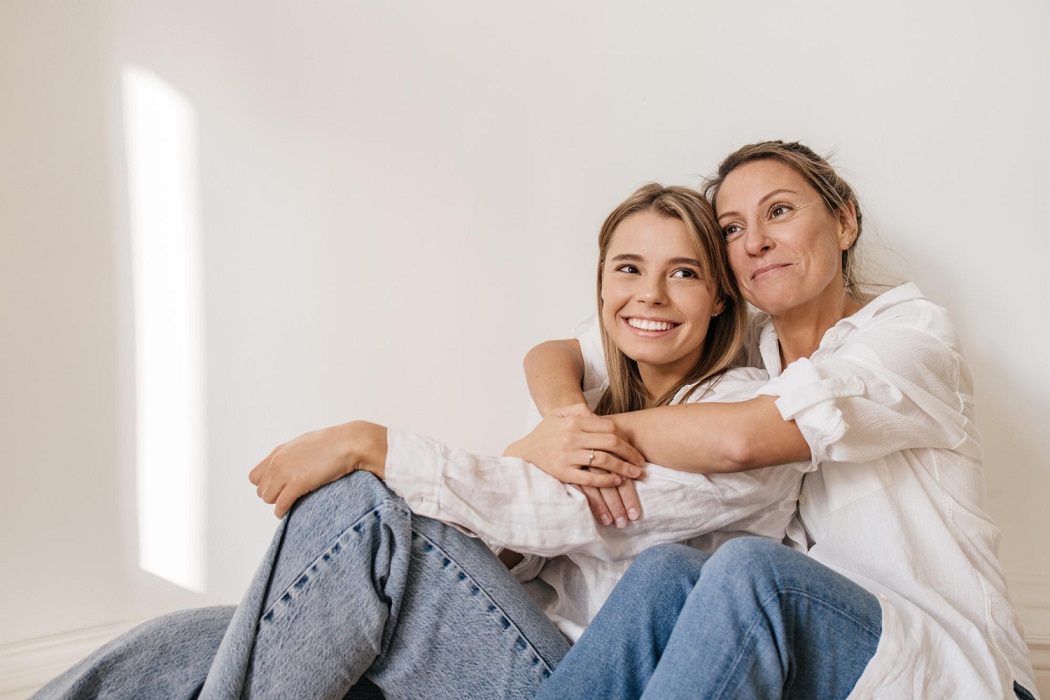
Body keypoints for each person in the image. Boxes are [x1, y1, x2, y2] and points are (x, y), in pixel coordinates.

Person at [33, 184, 806, 699]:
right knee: (209, 633)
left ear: (717, 299)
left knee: (361, 512)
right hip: (519, 634)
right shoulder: (607, 399)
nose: (650, 294)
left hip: (575, 676)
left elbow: (549, 512)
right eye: (628, 268)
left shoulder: (732, 414)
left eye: (683, 275)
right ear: (601, 283)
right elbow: (551, 363)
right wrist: (558, 417)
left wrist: (373, 443)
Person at [515, 141, 1038, 698]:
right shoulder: (747, 346)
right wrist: (564, 417)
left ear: (844, 221)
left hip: (939, 671)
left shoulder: (912, 337)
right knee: (664, 572)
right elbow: (562, 351)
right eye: (733, 229)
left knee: (751, 573)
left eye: (779, 211)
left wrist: (585, 440)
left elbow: (744, 438)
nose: (757, 241)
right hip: (811, 662)